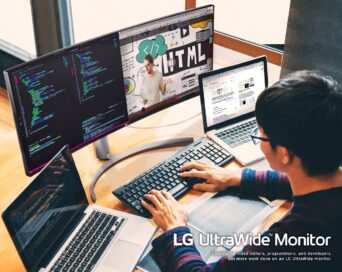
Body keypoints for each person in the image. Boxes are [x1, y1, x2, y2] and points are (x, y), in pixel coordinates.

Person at [141, 70, 342, 271]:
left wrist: (176, 230)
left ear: (284, 154)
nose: (259, 140)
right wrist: (237, 177)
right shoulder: (328, 176)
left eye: (260, 135)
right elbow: (303, 180)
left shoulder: (296, 236)